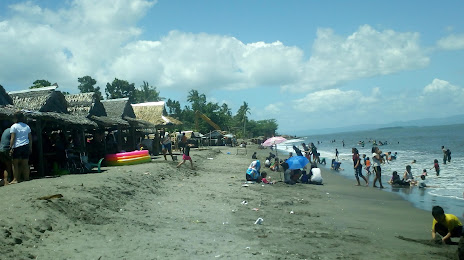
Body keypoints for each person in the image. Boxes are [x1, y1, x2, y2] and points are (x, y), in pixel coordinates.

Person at [9, 112, 32, 183]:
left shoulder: (14, 126)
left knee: (15, 163)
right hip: (25, 145)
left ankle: (16, 179)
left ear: (16, 118)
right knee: (25, 163)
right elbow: (30, 138)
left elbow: (12, 138)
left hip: (17, 146)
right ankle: (26, 177)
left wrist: (10, 147)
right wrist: (30, 147)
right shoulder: (27, 126)